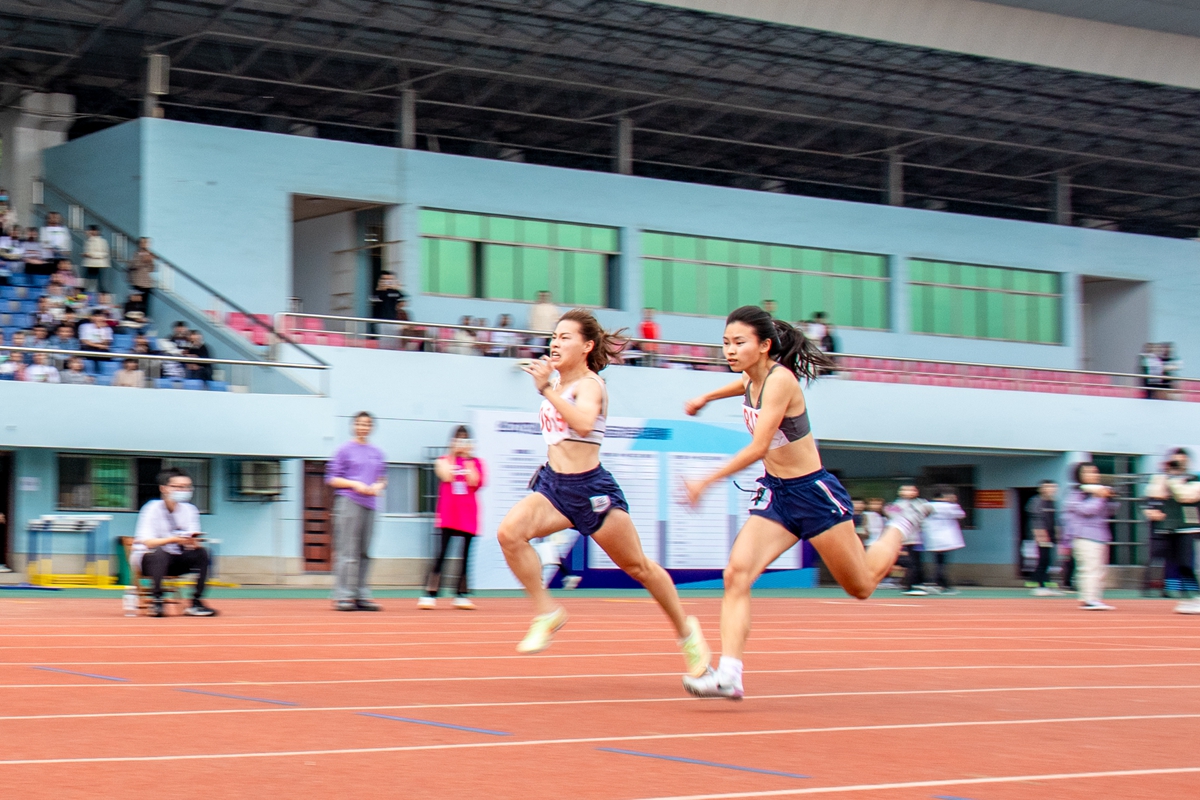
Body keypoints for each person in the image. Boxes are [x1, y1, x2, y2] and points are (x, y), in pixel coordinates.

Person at [679, 305, 916, 699]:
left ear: (765, 345)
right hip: (778, 494)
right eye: (725, 343)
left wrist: (707, 480)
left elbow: (758, 446)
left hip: (813, 493)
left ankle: (902, 522)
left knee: (861, 585)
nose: (730, 350)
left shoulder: (781, 381)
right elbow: (742, 386)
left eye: (739, 343)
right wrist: (705, 395)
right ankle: (729, 674)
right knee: (736, 574)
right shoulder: (751, 378)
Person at [496, 308, 710, 676]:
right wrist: (550, 387)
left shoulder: (591, 384)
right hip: (553, 487)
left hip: (591, 490)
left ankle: (687, 633)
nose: (555, 342)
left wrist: (546, 389)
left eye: (566, 337)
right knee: (509, 534)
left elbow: (581, 424)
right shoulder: (558, 385)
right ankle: (547, 612)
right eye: (554, 336)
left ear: (587, 345)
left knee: (638, 567)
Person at [132, 467, 218, 617]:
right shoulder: (152, 509)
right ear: (164, 488)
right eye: (178, 487)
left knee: (203, 553)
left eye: (186, 487)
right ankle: (157, 600)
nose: (183, 490)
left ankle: (196, 602)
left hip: (176, 559)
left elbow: (191, 538)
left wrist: (193, 542)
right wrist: (173, 539)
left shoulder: (190, 510)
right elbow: (148, 542)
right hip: (149, 561)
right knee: (159, 553)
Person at [325, 412, 387, 612]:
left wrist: (378, 486)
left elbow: (382, 477)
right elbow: (332, 478)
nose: (363, 427)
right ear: (353, 426)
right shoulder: (344, 450)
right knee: (347, 550)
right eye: (359, 424)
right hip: (349, 501)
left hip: (370, 503)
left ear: (372, 428)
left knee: (364, 552)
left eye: (367, 424)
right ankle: (344, 595)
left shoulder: (377, 452)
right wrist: (355, 484)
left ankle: (361, 594)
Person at [420, 426, 486, 610]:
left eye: (465, 440)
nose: (461, 444)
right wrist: (453, 455)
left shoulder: (477, 462)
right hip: (449, 513)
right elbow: (446, 475)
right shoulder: (444, 460)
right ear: (452, 441)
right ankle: (430, 593)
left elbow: (475, 481)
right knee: (441, 554)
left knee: (465, 556)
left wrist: (468, 460)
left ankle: (461, 594)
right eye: (458, 439)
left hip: (469, 514)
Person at [1145, 448, 1200, 614]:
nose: (1178, 465)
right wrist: (1164, 477)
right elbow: (1154, 494)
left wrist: (1174, 481)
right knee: (1177, 565)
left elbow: (1187, 496)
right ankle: (1186, 597)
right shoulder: (1164, 479)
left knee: (1186, 563)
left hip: (1188, 527)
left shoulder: (1194, 479)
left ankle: (1196, 596)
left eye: (1181, 461)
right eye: (1174, 461)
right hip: (1170, 528)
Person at [1063, 462, 1119, 611]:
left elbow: (1111, 511)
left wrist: (1110, 497)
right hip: (1083, 536)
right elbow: (1088, 510)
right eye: (1088, 472)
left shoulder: (1098, 491)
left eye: (1095, 472)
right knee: (1089, 568)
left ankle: (1093, 597)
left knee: (1099, 570)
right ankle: (1089, 599)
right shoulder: (1075, 494)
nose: (1093, 475)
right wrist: (1100, 497)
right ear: (1079, 476)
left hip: (1100, 535)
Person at [922, 486, 965, 595]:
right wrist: (954, 502)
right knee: (942, 564)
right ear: (944, 496)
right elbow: (961, 515)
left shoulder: (926, 506)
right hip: (946, 540)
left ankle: (940, 584)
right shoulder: (950, 507)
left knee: (937, 562)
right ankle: (940, 584)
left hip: (932, 538)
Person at [888, 484, 930, 596]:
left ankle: (918, 583)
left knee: (916, 562)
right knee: (909, 562)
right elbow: (893, 517)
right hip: (903, 537)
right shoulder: (897, 505)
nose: (909, 492)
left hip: (916, 538)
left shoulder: (921, 503)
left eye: (912, 490)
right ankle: (909, 585)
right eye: (905, 490)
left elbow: (926, 514)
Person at [1026, 480, 1061, 596]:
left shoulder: (1052, 502)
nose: (1051, 490)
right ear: (1041, 489)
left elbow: (1054, 520)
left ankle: (1041, 583)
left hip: (1050, 536)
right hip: (1042, 536)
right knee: (1043, 560)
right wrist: (1040, 535)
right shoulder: (1036, 502)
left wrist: (1057, 534)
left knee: (1048, 561)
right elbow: (1036, 520)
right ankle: (1040, 585)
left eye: (1053, 487)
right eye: (1048, 487)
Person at [369, 271, 405, 342]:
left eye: (390, 280)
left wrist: (396, 289)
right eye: (384, 280)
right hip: (377, 323)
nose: (387, 282)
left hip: (392, 322)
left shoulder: (396, 293)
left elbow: (402, 303)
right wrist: (381, 290)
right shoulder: (375, 293)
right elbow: (373, 301)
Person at [527, 290, 560, 356]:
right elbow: (531, 321)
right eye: (542, 296)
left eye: (545, 296)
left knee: (549, 353)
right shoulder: (534, 307)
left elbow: (557, 320)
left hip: (549, 334)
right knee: (537, 354)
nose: (543, 297)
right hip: (537, 335)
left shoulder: (552, 307)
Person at [81, 225, 111, 292]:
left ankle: (102, 296)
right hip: (89, 264)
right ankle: (83, 295)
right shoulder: (87, 241)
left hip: (99, 264)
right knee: (85, 283)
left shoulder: (103, 241)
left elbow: (105, 253)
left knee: (100, 283)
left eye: (92, 230)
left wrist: (91, 254)